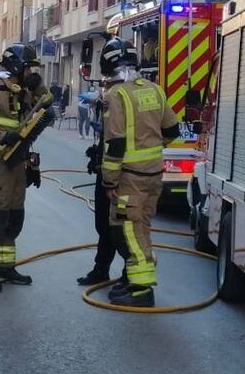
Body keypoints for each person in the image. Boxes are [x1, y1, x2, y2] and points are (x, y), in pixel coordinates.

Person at [99, 36, 181, 307]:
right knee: (141, 228)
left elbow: (116, 143)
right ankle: (134, 280)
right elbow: (172, 130)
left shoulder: (116, 95)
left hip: (129, 178)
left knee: (127, 231)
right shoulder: (154, 90)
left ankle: (141, 288)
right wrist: (152, 149)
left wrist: (109, 181)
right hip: (154, 175)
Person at [0, 44, 55, 292]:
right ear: (16, 66)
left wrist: (37, 84)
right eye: (29, 67)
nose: (31, 71)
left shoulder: (23, 91)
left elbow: (47, 104)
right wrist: (1, 136)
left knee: (14, 217)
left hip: (18, 162)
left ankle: (4, 267)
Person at [76, 89, 119, 287]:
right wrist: (97, 156)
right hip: (108, 174)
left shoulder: (119, 98)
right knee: (103, 226)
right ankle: (101, 270)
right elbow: (107, 139)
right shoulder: (111, 98)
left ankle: (132, 278)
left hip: (120, 177)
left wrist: (110, 179)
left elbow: (118, 141)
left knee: (121, 229)